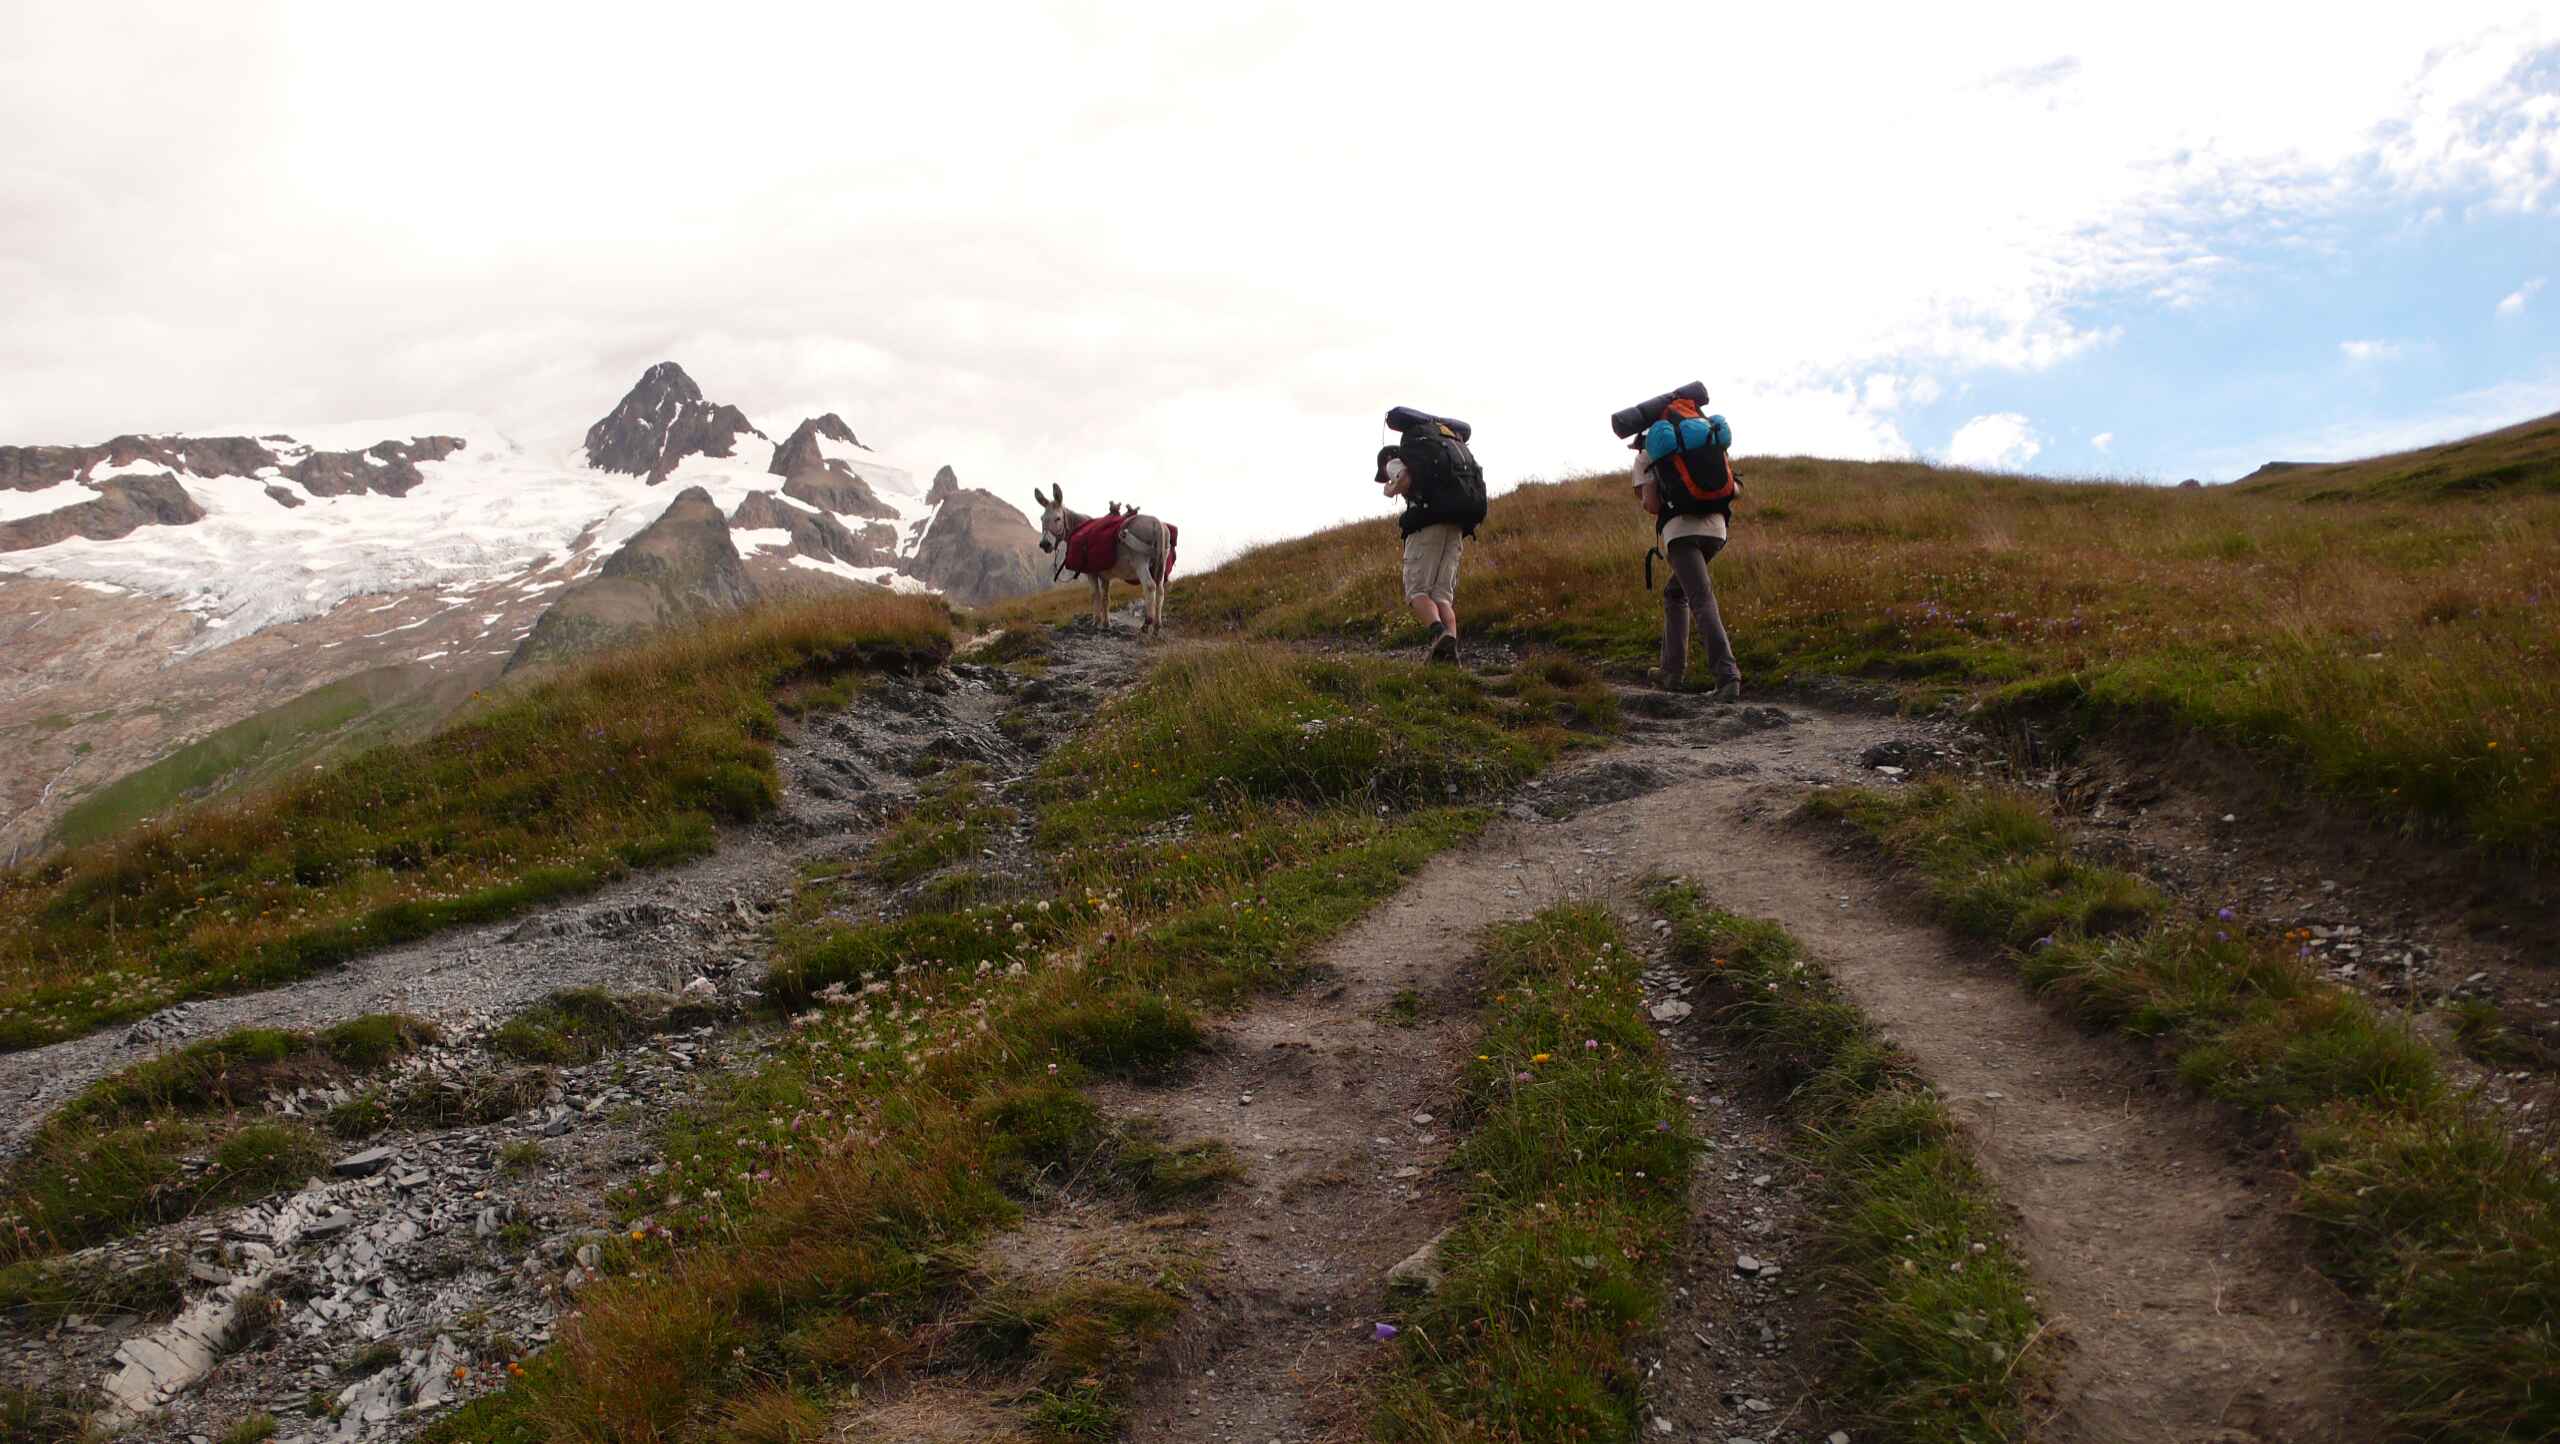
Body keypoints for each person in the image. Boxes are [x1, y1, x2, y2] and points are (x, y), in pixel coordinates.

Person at [1634, 438, 1742, 700]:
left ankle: (1727, 677)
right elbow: (1734, 489)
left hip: (1682, 533)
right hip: (1717, 531)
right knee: (1675, 593)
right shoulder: (1702, 444)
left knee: (1701, 599)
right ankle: (1671, 671)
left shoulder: (1647, 455)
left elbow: (1652, 505)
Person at [1379, 443, 1463, 663]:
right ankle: (1449, 651)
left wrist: (1390, 489)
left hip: (1426, 528)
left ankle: (1440, 635)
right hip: (1455, 527)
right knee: (1442, 597)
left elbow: (1404, 478)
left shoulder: (1394, 461)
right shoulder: (1439, 463)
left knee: (1417, 592)